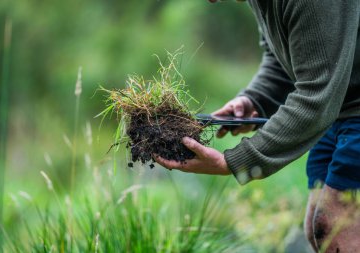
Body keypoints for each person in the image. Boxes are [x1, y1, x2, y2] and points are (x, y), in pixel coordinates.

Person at [154, 0, 360, 252]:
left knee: (336, 229)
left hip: (346, 108)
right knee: (319, 231)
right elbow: (287, 56)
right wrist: (255, 98)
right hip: (340, 109)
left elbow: (315, 96)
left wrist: (237, 161)